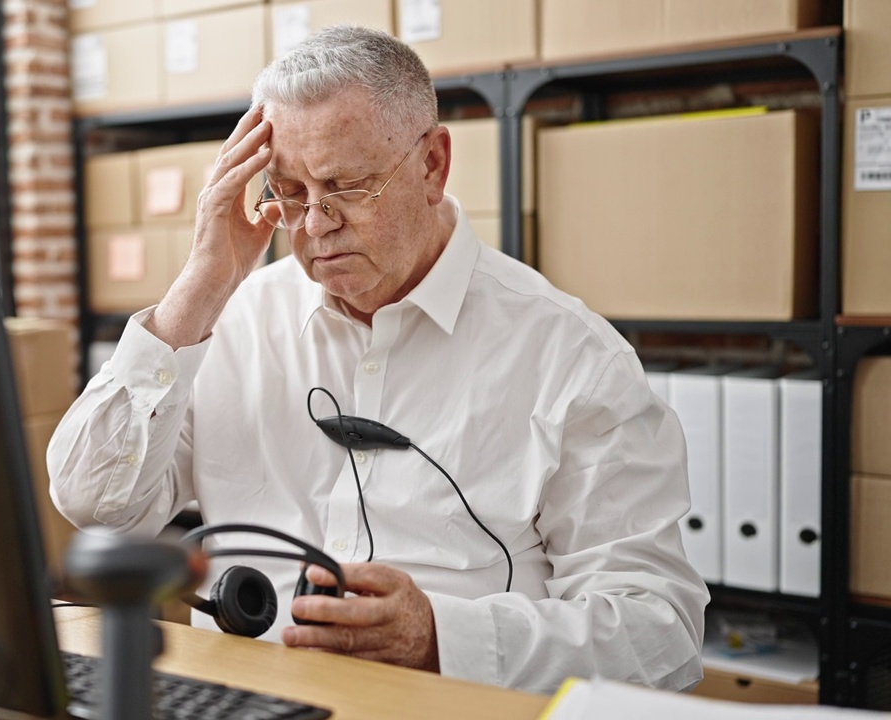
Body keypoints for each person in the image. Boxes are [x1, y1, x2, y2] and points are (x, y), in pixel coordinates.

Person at [48, 25, 708, 694]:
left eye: (346, 186)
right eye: (288, 191)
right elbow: (96, 505)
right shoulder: (231, 321)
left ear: (433, 166)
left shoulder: (570, 356)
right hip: (247, 703)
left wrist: (440, 638)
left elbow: (662, 635)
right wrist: (198, 286)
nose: (313, 225)